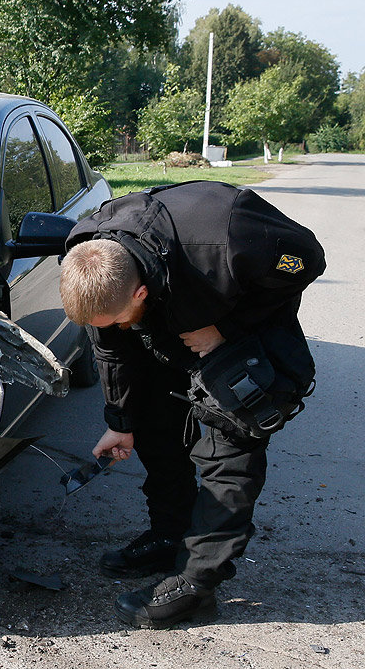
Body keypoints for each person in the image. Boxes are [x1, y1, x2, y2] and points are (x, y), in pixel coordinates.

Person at [59, 180, 325, 629]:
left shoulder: (227, 233)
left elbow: (309, 261)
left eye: (118, 319)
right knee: (156, 430)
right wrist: (120, 421)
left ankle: (197, 585)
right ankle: (170, 535)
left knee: (228, 456)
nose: (113, 328)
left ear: (139, 293)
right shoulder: (91, 257)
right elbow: (111, 349)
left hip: (235, 333)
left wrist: (226, 328)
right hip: (171, 328)